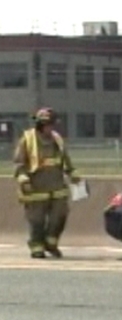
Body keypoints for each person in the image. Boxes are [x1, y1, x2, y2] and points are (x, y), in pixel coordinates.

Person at [13, 108, 81, 259]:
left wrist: (73, 174)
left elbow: (66, 160)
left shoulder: (57, 139)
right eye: (48, 125)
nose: (51, 128)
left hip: (57, 187)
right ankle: (36, 247)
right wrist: (24, 180)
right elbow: (19, 164)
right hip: (35, 189)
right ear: (40, 125)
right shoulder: (28, 139)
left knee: (60, 216)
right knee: (37, 221)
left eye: (52, 124)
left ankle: (51, 243)